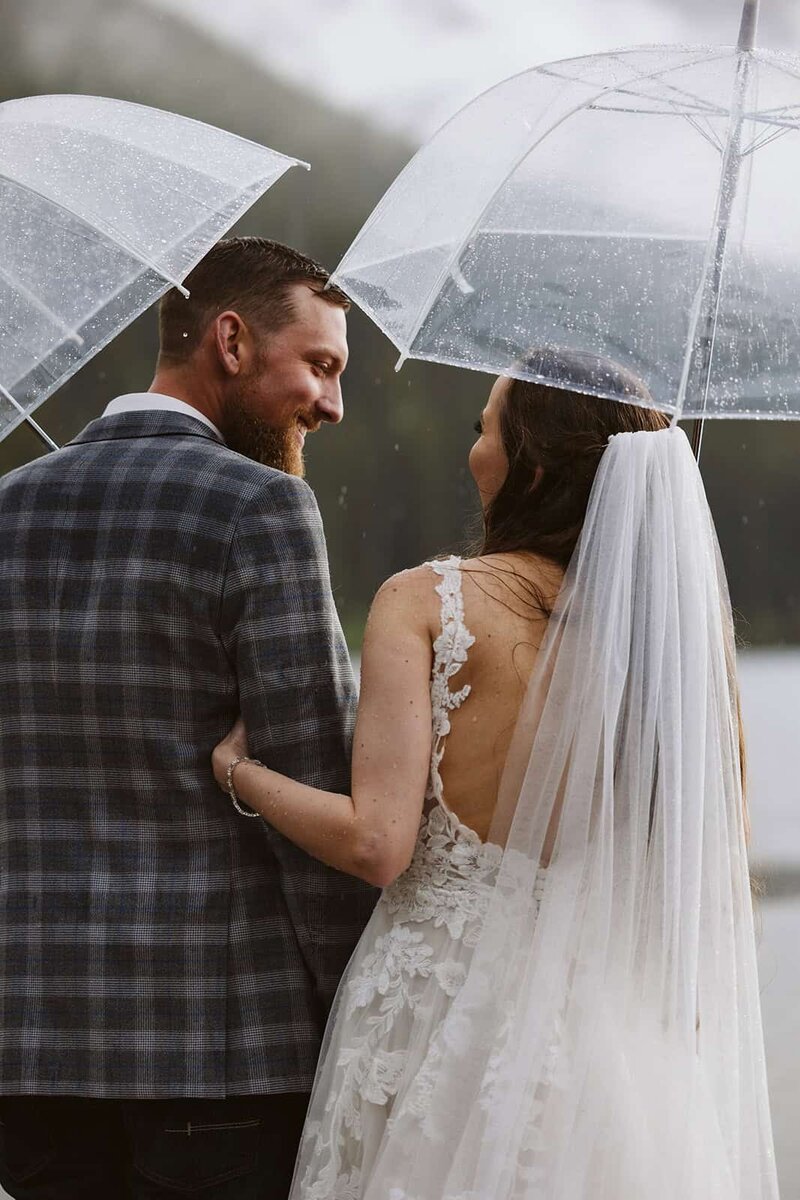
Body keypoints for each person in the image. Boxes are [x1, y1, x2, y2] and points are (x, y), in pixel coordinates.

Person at [214, 352, 779, 1200]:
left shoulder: (426, 600)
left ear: (535, 464)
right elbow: (707, 888)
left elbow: (377, 843)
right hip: (607, 1034)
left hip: (432, 1016)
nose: (471, 449)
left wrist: (240, 772)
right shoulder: (679, 653)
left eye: (484, 428)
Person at [0, 237, 375, 1199]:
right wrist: (360, 1007)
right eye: (322, 365)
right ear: (233, 340)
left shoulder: (8, 505)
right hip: (219, 1053)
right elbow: (318, 772)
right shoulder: (260, 507)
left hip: (28, 1055)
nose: (332, 402)